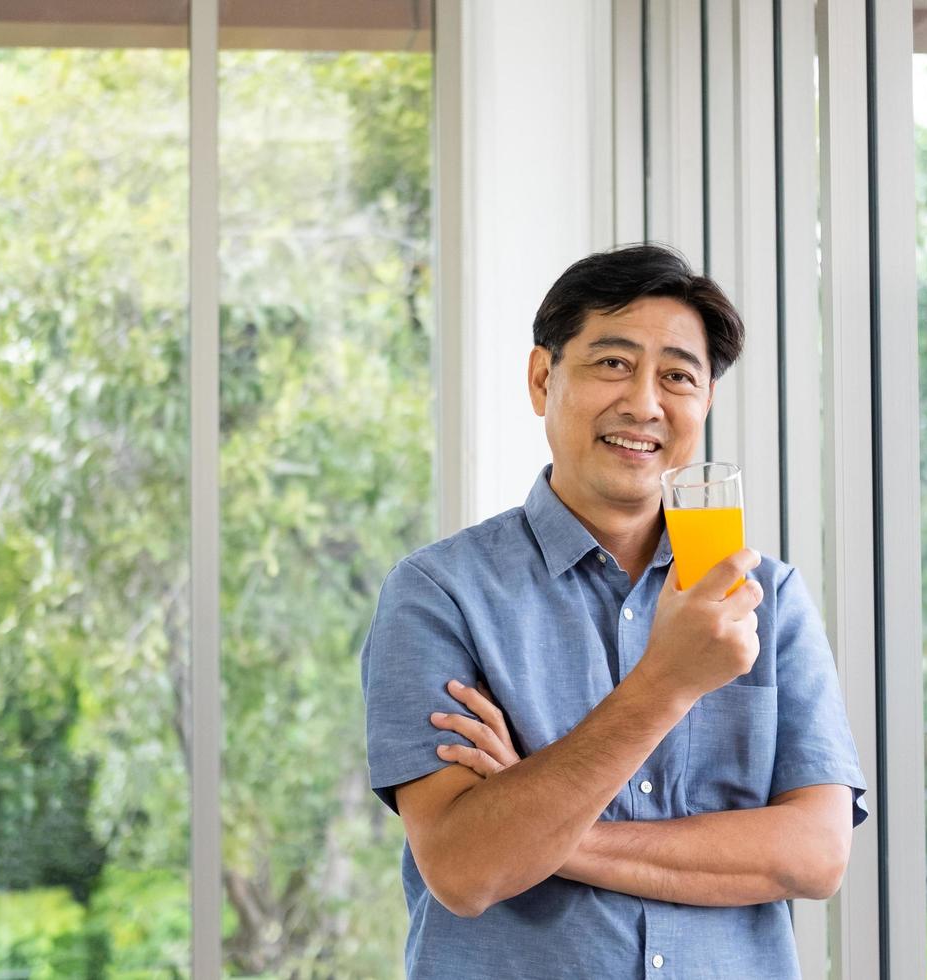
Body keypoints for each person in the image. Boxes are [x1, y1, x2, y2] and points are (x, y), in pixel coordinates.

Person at [360, 244, 868, 979]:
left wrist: (542, 830)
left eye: (678, 377)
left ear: (704, 406)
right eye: (613, 363)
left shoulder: (770, 599)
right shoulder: (439, 595)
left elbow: (815, 857)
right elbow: (466, 870)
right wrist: (669, 681)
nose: (645, 403)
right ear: (543, 378)